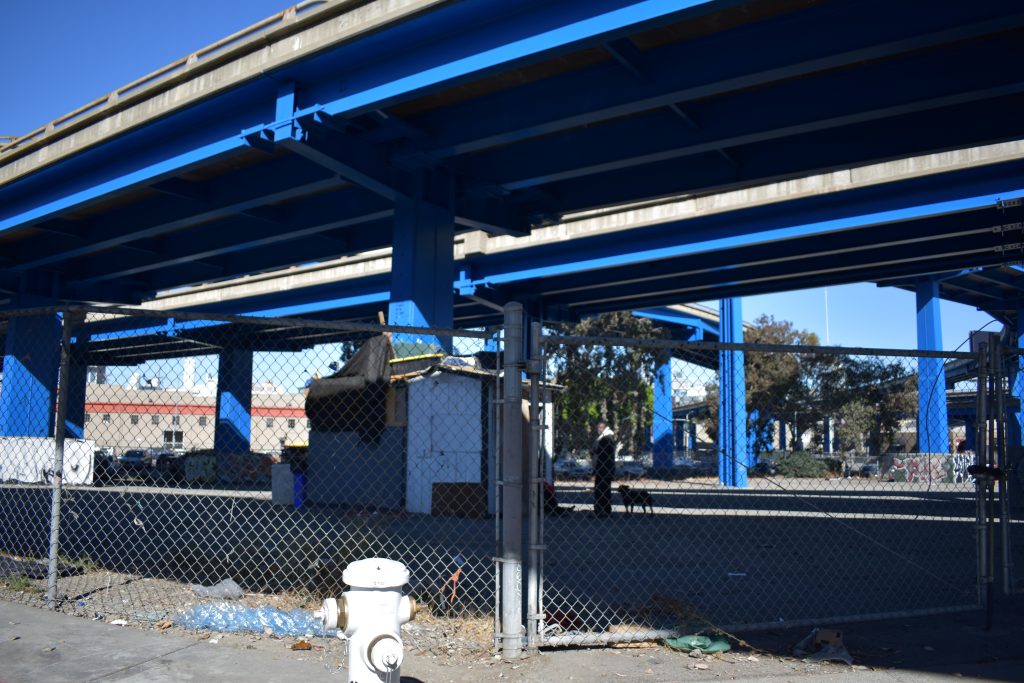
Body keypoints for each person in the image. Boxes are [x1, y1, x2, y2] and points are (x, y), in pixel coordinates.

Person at [591, 420, 617, 518]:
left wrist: (594, 450)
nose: (599, 429)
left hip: (603, 469)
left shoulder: (606, 439)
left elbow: (600, 452)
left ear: (605, 428)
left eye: (601, 427)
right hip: (605, 469)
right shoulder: (606, 438)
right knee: (604, 490)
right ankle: (604, 510)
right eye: (598, 427)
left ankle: (601, 510)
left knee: (601, 491)